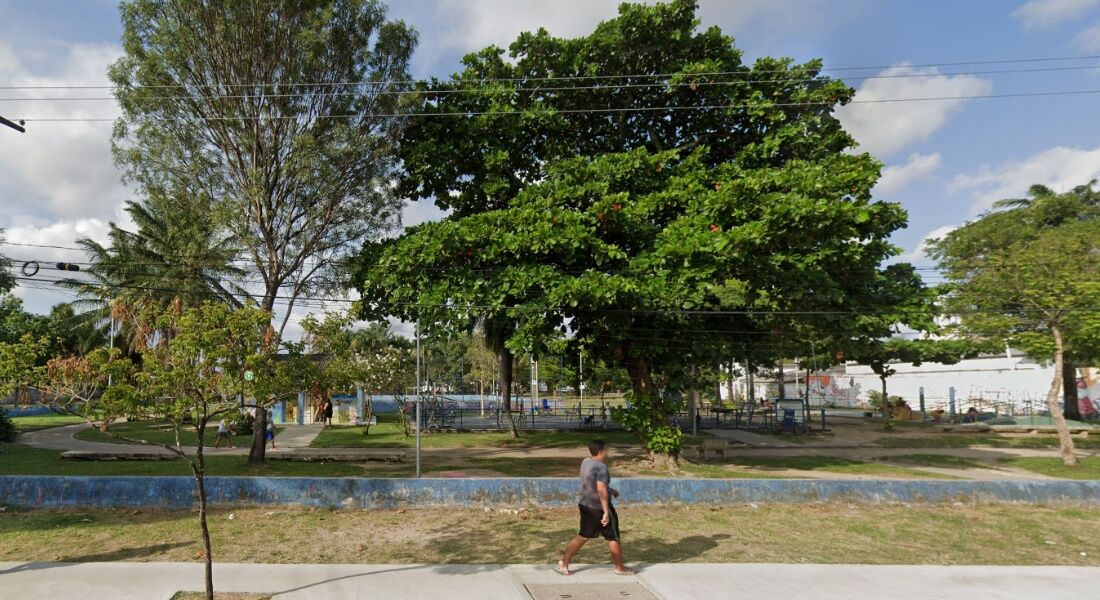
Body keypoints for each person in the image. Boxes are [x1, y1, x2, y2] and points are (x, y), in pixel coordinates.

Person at [556, 439, 637, 576]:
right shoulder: (602, 467)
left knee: (583, 535)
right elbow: (601, 490)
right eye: (606, 450)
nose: (607, 452)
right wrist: (606, 512)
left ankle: (564, 562)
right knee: (614, 537)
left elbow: (591, 482)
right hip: (598, 508)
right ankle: (619, 567)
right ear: (601, 452)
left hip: (586, 505)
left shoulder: (586, 462)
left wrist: (610, 489)